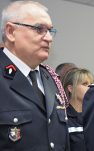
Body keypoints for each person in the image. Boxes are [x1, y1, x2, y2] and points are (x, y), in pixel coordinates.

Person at [0, 1, 69, 150]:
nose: (49, 38)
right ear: (11, 32)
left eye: (50, 31)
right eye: (39, 29)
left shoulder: (50, 79)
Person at [61, 68, 94, 151]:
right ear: (71, 88)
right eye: (85, 84)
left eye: (92, 83)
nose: (90, 87)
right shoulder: (63, 117)